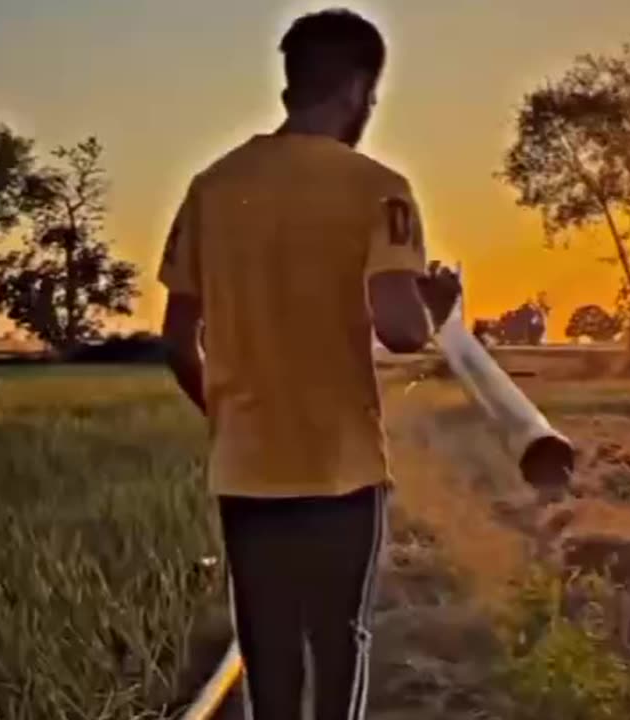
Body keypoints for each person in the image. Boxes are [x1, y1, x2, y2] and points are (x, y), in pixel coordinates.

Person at [157, 8, 461, 720]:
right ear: (358, 88)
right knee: (338, 642)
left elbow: (177, 339)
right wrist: (435, 305)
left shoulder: (212, 185)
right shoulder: (379, 187)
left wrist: (228, 414)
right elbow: (400, 330)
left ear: (293, 81)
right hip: (343, 468)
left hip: (249, 467)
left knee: (267, 649)